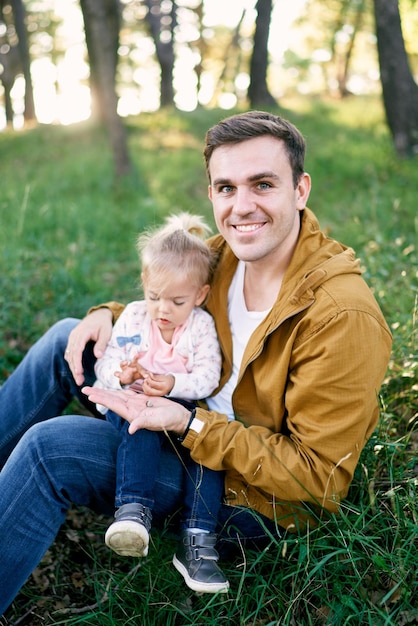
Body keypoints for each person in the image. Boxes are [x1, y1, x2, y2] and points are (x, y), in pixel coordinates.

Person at [0, 110, 392, 615]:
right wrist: (107, 314)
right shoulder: (224, 256)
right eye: (226, 188)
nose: (242, 206)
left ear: (300, 190)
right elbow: (171, 301)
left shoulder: (342, 316)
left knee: (50, 448)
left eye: (263, 184)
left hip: (246, 493)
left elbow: (317, 478)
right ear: (210, 194)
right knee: (66, 338)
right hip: (186, 416)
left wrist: (189, 424)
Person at [94, 212, 229, 593]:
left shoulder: (200, 326)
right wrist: (123, 377)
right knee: (140, 424)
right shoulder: (135, 317)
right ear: (144, 286)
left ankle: (198, 541)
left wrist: (173, 381)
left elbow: (208, 376)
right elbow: (104, 367)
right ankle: (133, 512)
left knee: (211, 454)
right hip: (137, 405)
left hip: (184, 412)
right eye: (154, 296)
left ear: (200, 295)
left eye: (177, 300)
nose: (163, 310)